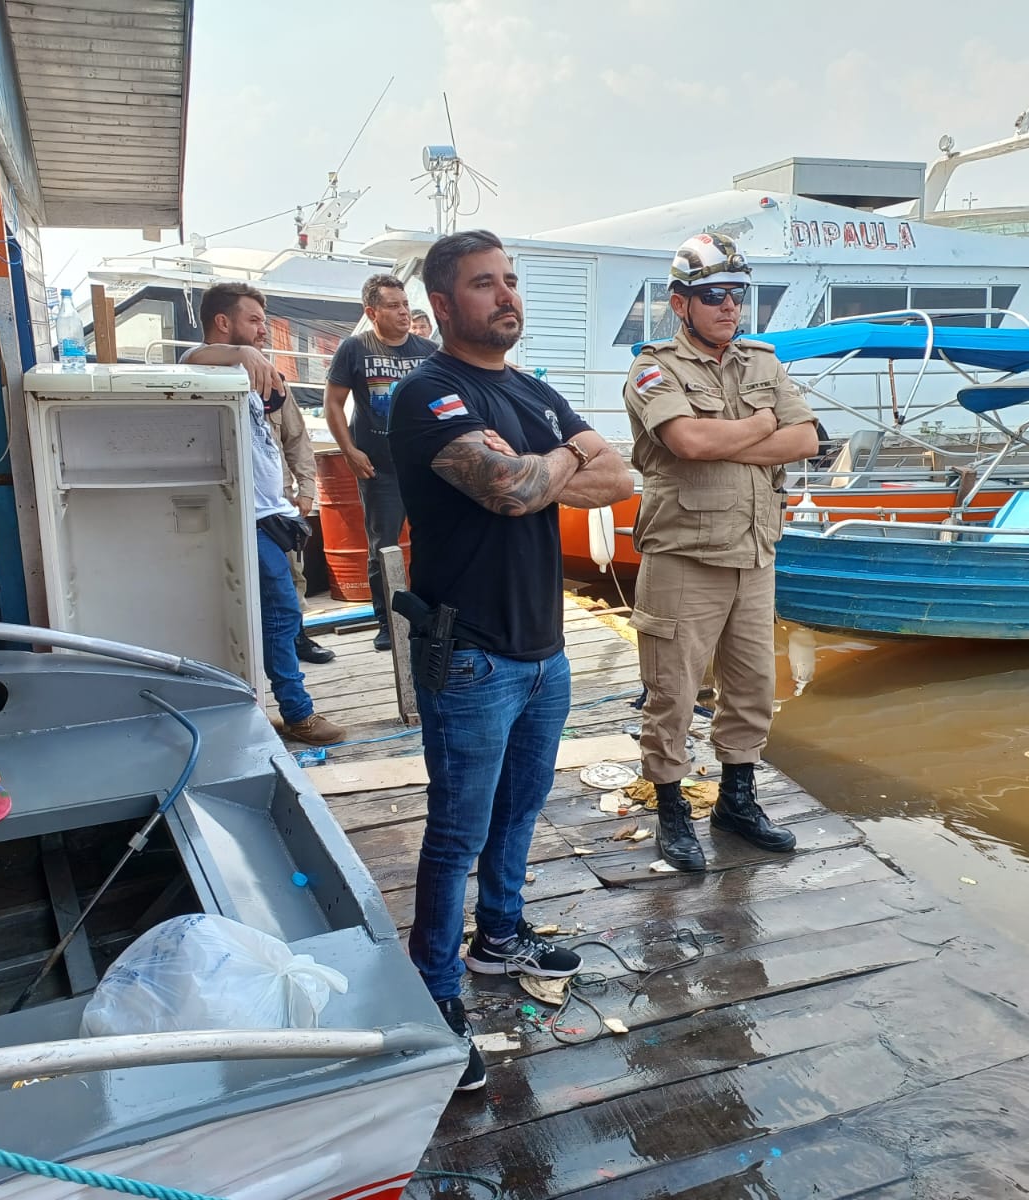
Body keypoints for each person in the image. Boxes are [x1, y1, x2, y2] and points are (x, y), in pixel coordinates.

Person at [390, 230, 633, 1092]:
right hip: (472, 657)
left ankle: (499, 938)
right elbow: (512, 490)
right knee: (455, 834)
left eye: (512, 282)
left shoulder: (531, 391)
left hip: (544, 649)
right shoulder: (429, 394)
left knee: (521, 813)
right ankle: (435, 992)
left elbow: (622, 477)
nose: (507, 297)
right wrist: (563, 458)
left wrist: (545, 464)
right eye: (485, 284)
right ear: (444, 306)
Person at [623, 233, 821, 872]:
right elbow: (687, 441)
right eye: (713, 296)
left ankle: (737, 798)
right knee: (672, 692)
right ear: (680, 304)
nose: (729, 307)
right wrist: (763, 427)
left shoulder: (760, 361)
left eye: (736, 294)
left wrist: (734, 437)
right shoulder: (654, 367)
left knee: (753, 687)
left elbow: (807, 439)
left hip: (754, 553)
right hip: (684, 555)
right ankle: (672, 808)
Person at [182, 282, 347, 746]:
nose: (262, 331)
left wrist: (302, 493)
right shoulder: (210, 368)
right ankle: (298, 715)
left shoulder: (248, 376)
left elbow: (290, 438)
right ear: (222, 322)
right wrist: (241, 355)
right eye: (253, 320)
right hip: (247, 521)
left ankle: (251, 706)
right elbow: (189, 361)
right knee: (281, 617)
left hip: (273, 516)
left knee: (270, 618)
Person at [324, 275, 438, 651]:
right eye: (393, 306)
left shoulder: (427, 349)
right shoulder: (354, 349)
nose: (403, 312)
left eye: (405, 304)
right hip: (380, 467)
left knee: (434, 541)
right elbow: (333, 404)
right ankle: (387, 622)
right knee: (383, 546)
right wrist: (350, 451)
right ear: (371, 312)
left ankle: (432, 614)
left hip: (426, 468)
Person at [264, 390, 334, 665]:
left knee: (292, 571)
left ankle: (297, 637)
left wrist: (306, 489)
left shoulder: (275, 386)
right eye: (256, 340)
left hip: (278, 497)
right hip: (229, 495)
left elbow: (296, 440)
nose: (262, 342)